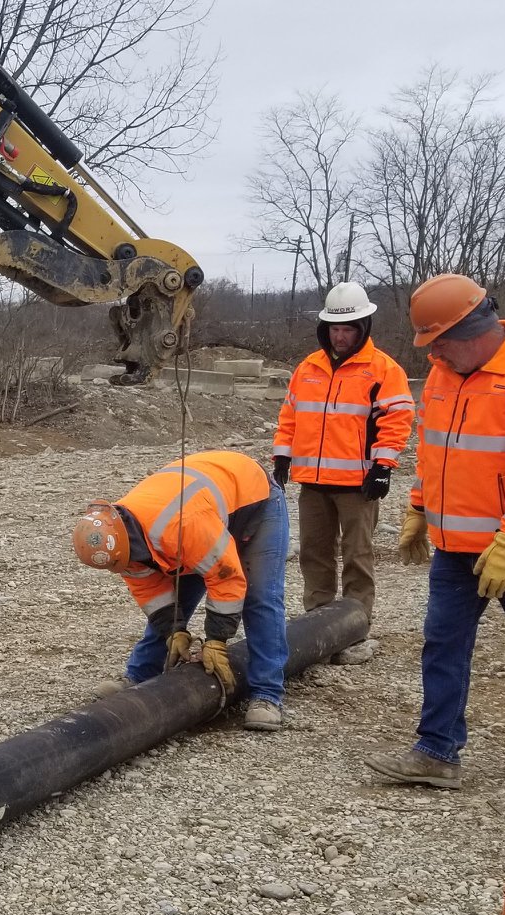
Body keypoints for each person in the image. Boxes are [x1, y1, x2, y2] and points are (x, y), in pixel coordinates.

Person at [363, 274, 505, 789]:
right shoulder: (445, 373)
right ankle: (437, 751)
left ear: (472, 328)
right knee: (442, 642)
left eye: (438, 340)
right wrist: (419, 506)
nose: (433, 352)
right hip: (455, 547)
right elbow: (436, 450)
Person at [73, 449, 290, 731]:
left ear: (130, 542)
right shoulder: (120, 541)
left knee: (260, 597)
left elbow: (226, 577)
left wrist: (216, 640)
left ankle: (267, 694)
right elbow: (152, 591)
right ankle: (141, 675)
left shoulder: (182, 525)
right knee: (177, 600)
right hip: (206, 512)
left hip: (255, 503)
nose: (125, 569)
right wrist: (173, 630)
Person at [272, 281, 414, 642]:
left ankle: (355, 622)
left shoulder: (383, 369)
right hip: (313, 482)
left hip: (357, 484)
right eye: (334, 329)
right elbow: (290, 415)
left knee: (357, 555)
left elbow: (397, 420)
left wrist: (383, 467)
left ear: (362, 327)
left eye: (347, 329)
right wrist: (282, 458)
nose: (340, 336)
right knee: (313, 553)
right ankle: (318, 622)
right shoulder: (308, 367)